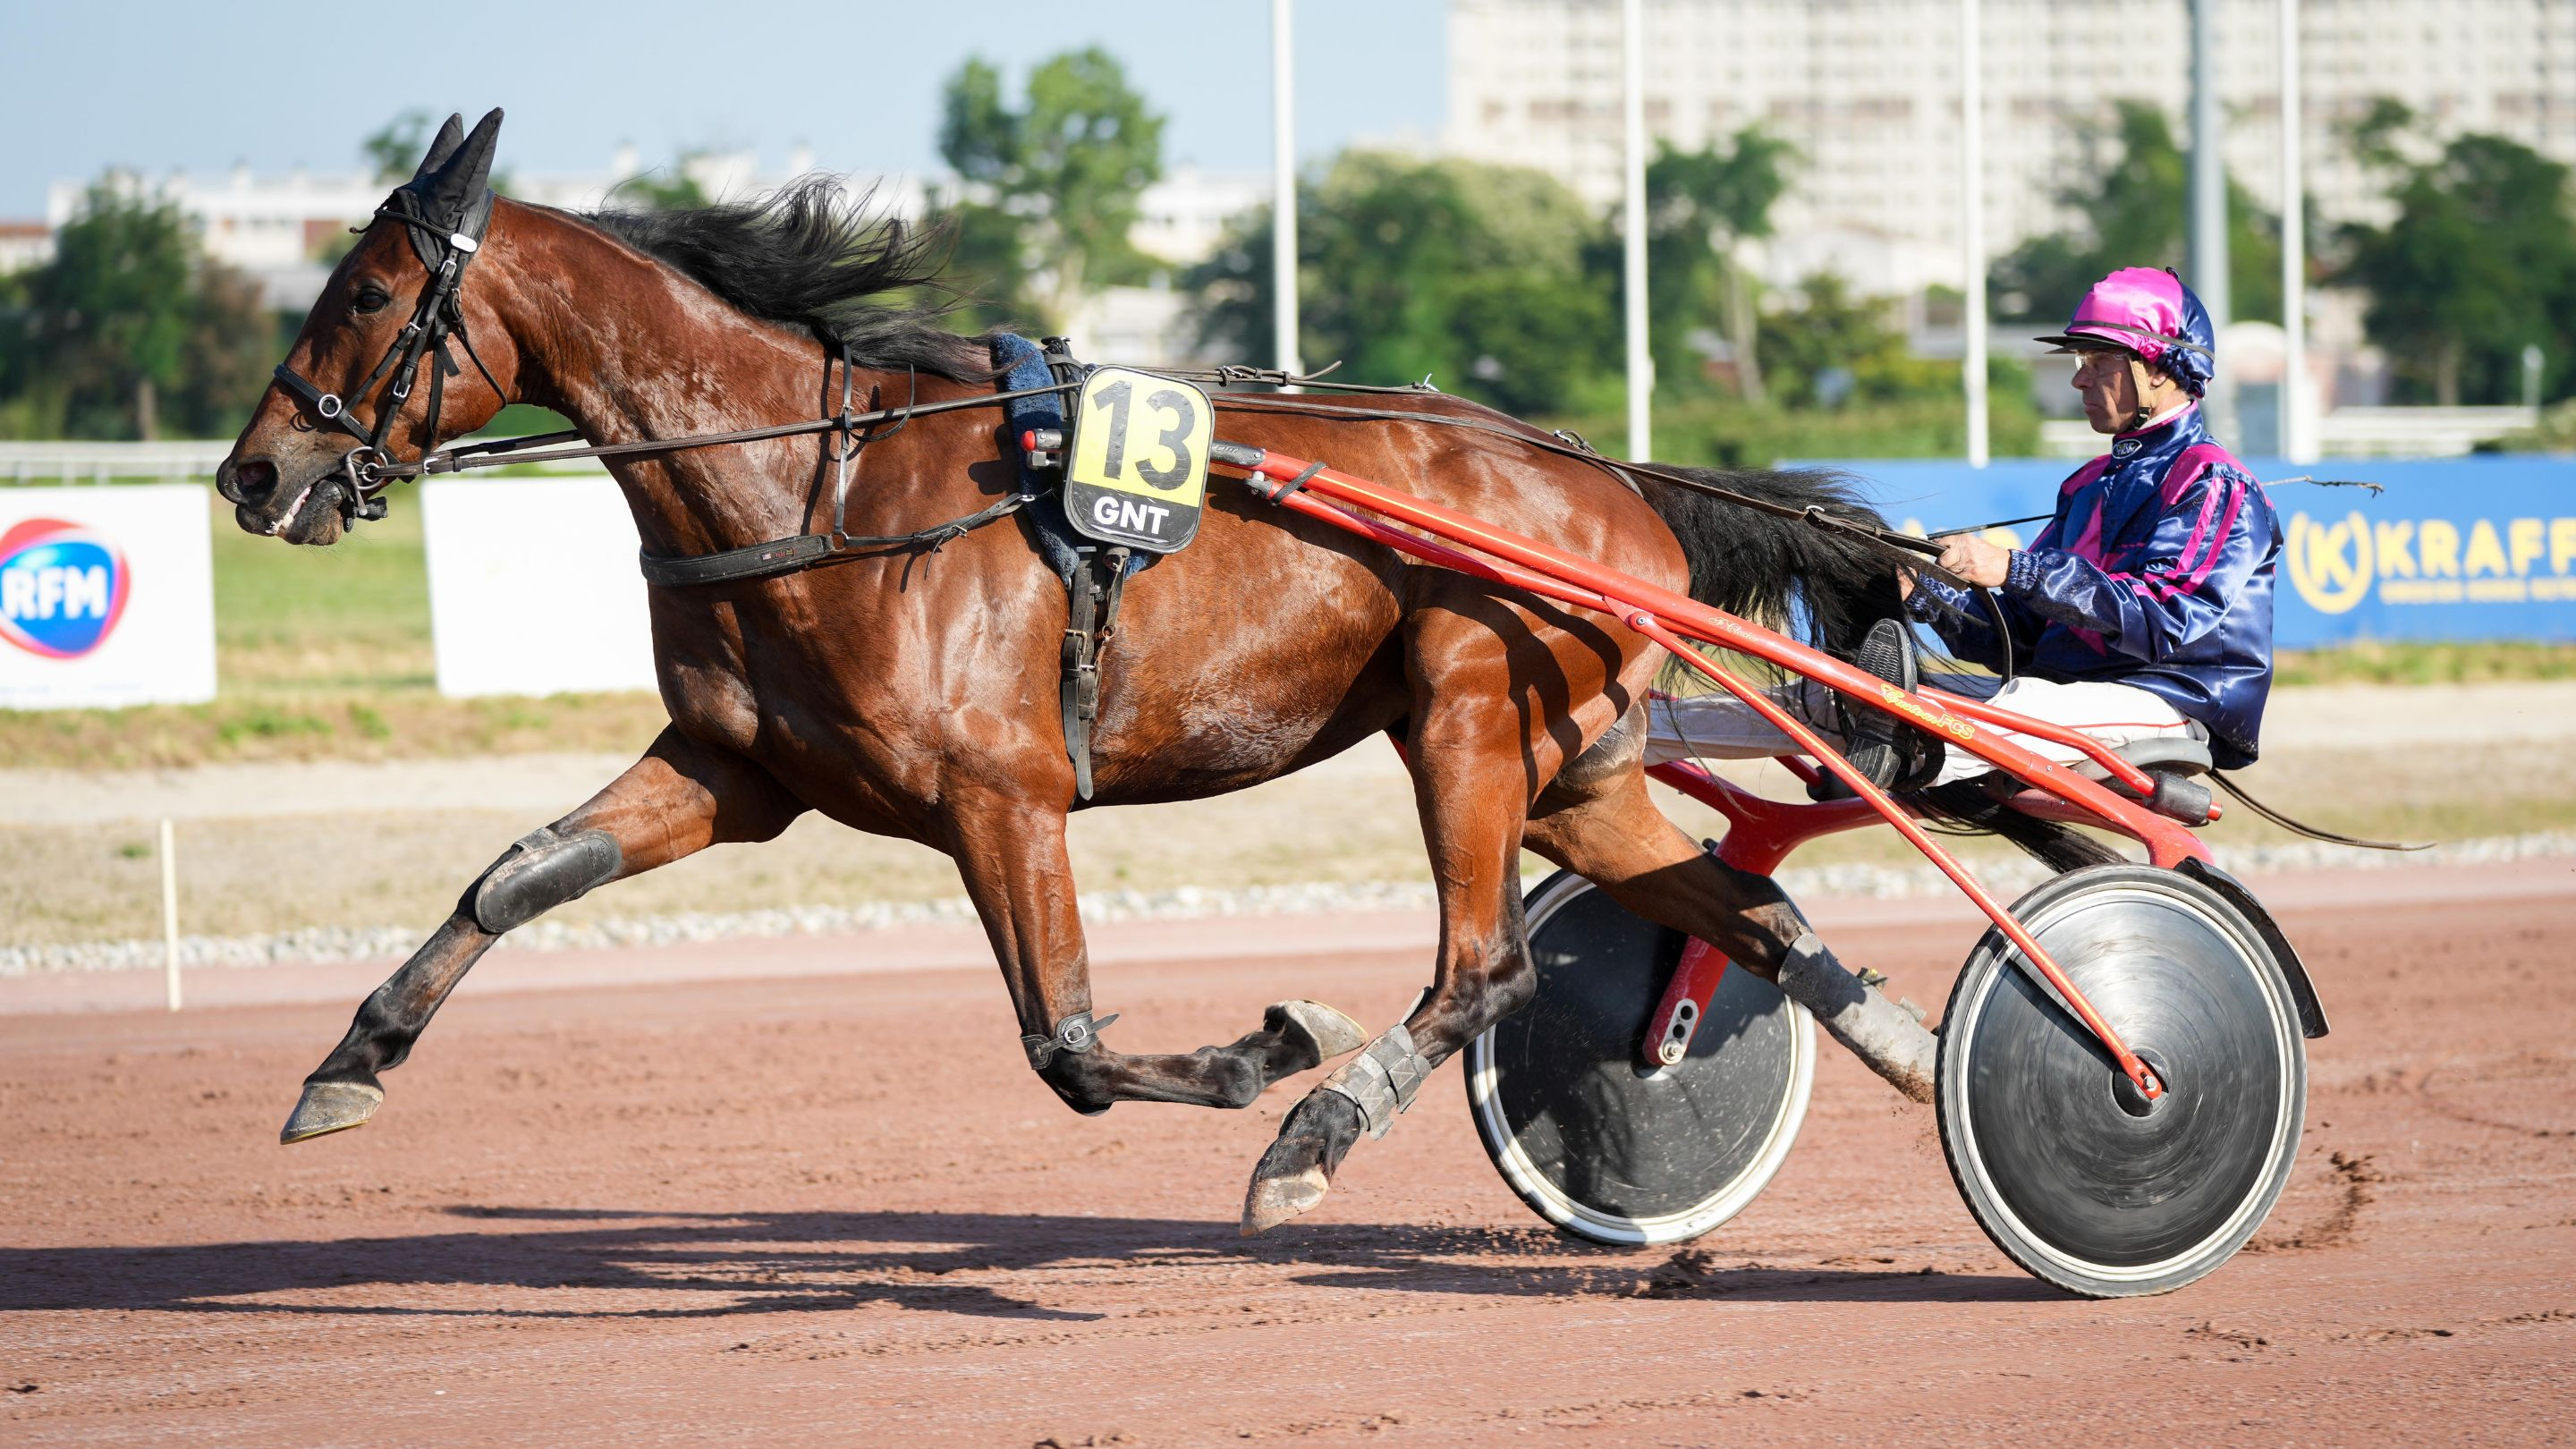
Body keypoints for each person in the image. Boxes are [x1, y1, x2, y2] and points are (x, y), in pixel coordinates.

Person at [1647, 266, 2281, 790]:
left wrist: (2013, 568)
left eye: (2099, 360)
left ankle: (1892, 757)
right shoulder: (2088, 486)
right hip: (2068, 693)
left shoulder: (2211, 482)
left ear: (2161, 369)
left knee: (1975, 712)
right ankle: (1632, 730)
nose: (2079, 377)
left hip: (2173, 701)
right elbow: (2022, 639)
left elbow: (2166, 618)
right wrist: (1923, 594)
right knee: (1840, 690)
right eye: (2080, 359)